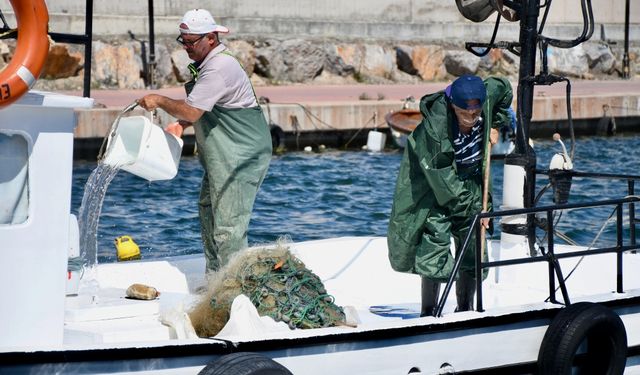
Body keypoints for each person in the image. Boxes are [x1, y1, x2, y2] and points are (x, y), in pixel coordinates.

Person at [137, 9, 272, 273]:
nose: (186, 47)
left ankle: (233, 291)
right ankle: (215, 281)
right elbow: (212, 106)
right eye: (183, 40)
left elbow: (193, 109)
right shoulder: (209, 63)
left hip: (241, 155)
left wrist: (160, 100)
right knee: (208, 211)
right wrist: (183, 124)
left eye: (191, 41)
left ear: (211, 38)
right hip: (224, 154)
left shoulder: (219, 67)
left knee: (229, 226)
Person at [387, 75, 513, 316]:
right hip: (436, 189)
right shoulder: (434, 130)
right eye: (466, 114)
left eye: (476, 114)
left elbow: (504, 88)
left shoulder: (486, 99)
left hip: (473, 181)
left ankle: (464, 309)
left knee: (474, 247)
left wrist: (495, 123)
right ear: (453, 105)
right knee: (434, 244)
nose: (472, 119)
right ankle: (428, 312)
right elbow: (443, 180)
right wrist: (476, 210)